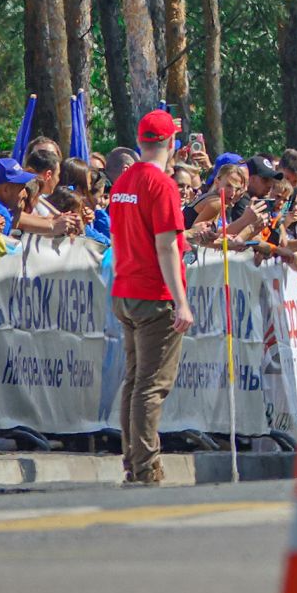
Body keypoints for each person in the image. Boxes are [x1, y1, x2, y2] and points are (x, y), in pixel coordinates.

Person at [109, 110, 194, 485]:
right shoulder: (163, 186)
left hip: (126, 287)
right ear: (171, 143)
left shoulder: (123, 180)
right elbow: (166, 247)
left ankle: (134, 460)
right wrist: (181, 301)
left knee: (135, 380)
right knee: (151, 385)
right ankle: (146, 466)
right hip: (153, 292)